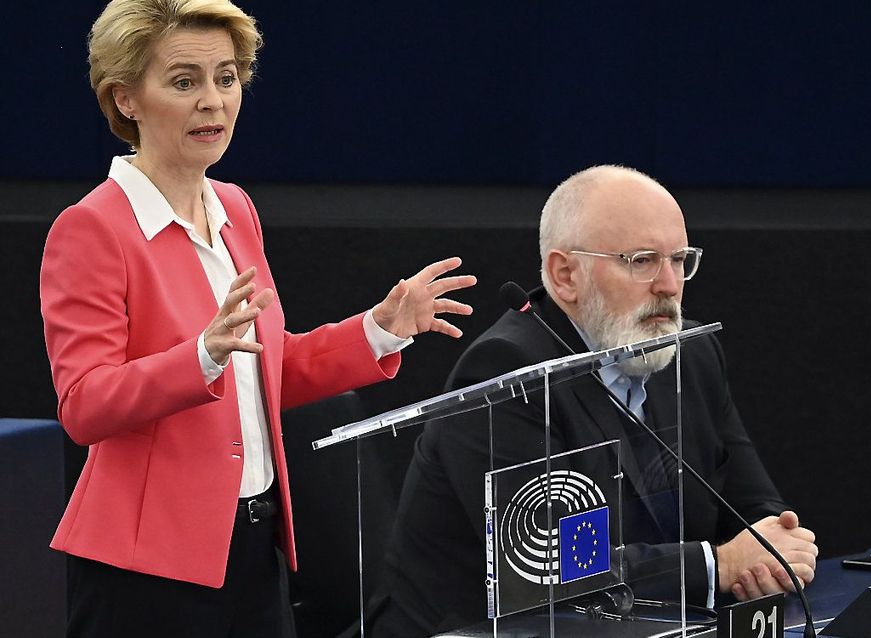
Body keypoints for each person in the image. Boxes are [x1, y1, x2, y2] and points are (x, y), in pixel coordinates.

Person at [38, 1, 475, 636]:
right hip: (148, 569)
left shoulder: (236, 208)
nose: (213, 101)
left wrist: (378, 328)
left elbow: (266, 371)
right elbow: (84, 404)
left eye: (227, 76)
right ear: (126, 98)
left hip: (253, 547)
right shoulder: (92, 229)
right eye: (184, 81)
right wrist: (199, 357)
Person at [370, 165, 818, 636]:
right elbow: (552, 562)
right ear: (565, 275)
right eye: (643, 260)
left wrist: (774, 547)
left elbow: (753, 502)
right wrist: (719, 565)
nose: (669, 284)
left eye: (679, 259)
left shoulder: (692, 353)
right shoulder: (508, 374)